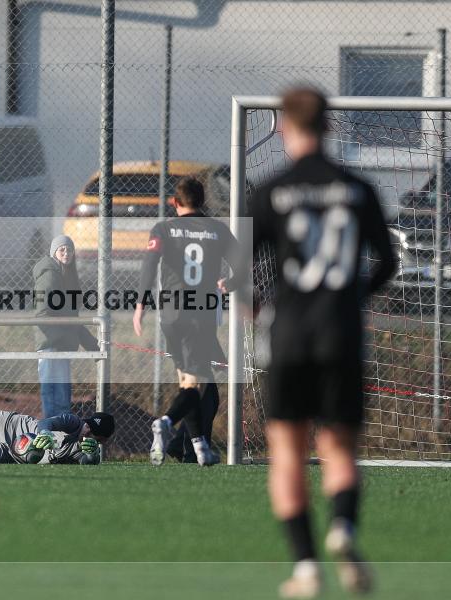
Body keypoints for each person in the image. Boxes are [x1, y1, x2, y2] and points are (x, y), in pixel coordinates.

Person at [241, 87, 397, 598]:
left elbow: (241, 273)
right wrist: (356, 298)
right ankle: (343, 530)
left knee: (287, 451)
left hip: (288, 336)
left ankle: (306, 567)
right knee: (339, 448)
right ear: (330, 126)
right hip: (341, 333)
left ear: (284, 126)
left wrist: (260, 310)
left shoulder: (269, 191)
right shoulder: (358, 188)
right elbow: (388, 263)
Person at [133, 177, 242, 467]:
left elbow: (149, 264)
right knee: (197, 386)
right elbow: (244, 265)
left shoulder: (163, 228)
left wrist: (141, 303)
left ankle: (194, 447)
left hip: (169, 315)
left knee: (193, 383)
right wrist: (229, 283)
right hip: (199, 315)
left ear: (174, 202)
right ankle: (167, 425)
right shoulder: (217, 230)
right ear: (202, 201)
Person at [33, 234, 99, 417]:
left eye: (70, 250)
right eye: (62, 249)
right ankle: (51, 434)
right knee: (52, 392)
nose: (66, 253)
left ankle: (60, 434)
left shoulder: (67, 276)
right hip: (50, 344)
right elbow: (41, 313)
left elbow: (73, 321)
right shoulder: (50, 275)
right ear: (54, 252)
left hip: (61, 344)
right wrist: (61, 336)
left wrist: (91, 344)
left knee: (61, 393)